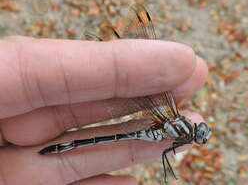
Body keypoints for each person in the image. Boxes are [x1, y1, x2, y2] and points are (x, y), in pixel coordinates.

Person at [0, 36, 208, 185]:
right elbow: (165, 152)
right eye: (199, 133)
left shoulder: (181, 128)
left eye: (199, 134)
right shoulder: (183, 134)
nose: (196, 133)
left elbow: (166, 150)